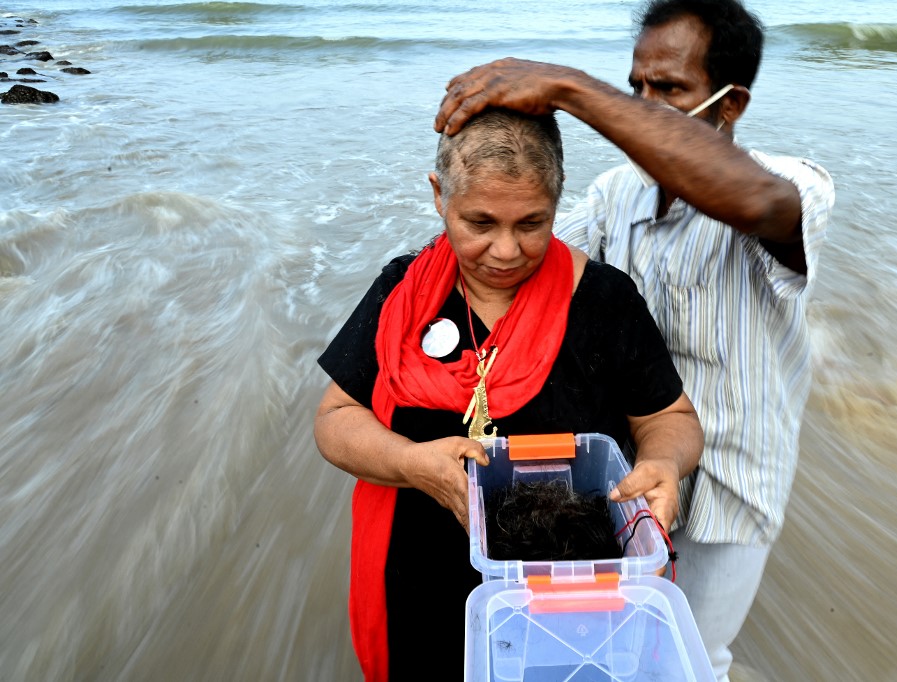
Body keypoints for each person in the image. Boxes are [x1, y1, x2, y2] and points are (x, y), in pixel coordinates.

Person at [433, 1, 836, 679]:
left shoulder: (795, 187)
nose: (644, 109)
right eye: (636, 88)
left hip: (734, 483)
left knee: (696, 656)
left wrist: (568, 88)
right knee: (607, 646)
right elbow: (522, 260)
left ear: (730, 103)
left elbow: (758, 206)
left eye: (669, 90)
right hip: (628, 471)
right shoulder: (616, 194)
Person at [314, 108, 704, 681]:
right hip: (418, 581)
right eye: (480, 222)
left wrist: (664, 462)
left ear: (557, 200)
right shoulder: (401, 290)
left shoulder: (603, 302)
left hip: (569, 600)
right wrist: (409, 462)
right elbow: (335, 418)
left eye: (531, 223)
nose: (504, 250)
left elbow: (669, 417)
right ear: (439, 195)